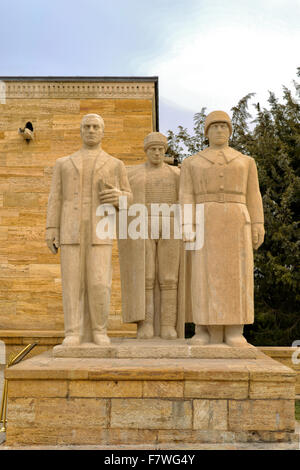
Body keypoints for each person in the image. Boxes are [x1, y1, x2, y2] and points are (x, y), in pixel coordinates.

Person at [179, 111, 265, 346]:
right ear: (206, 132)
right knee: (203, 275)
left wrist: (258, 223)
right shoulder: (192, 162)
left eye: (223, 126)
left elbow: (253, 194)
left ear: (230, 130)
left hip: (237, 220)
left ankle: (235, 330)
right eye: (214, 126)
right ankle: (204, 329)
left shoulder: (245, 161)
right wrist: (186, 223)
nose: (219, 130)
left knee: (237, 275)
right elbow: (185, 194)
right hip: (203, 220)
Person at [46, 114, 132, 346]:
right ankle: (72, 332)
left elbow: (129, 198)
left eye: (96, 127)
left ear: (103, 132)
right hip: (70, 229)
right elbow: (56, 197)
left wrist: (119, 197)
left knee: (98, 282)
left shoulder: (115, 164)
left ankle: (98, 331)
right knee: (72, 282)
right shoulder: (64, 163)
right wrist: (52, 227)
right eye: (87, 126)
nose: (91, 130)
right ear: (81, 131)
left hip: (100, 230)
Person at [119, 132, 185, 340]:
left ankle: (167, 325)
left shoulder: (177, 174)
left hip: (170, 225)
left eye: (160, 149)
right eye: (153, 149)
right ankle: (146, 324)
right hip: (142, 224)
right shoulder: (133, 174)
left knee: (169, 278)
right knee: (146, 277)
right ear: (146, 151)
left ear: (165, 151)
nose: (157, 153)